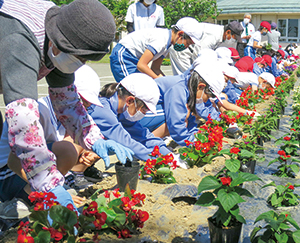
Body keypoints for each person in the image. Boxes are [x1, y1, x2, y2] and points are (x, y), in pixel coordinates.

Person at [0, 0, 134, 208]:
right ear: (57, 42)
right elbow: (24, 122)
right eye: (79, 57)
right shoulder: (21, 40)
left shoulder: (65, 31)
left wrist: (93, 138)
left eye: (85, 59)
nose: (80, 64)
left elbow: (68, 101)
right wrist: (49, 187)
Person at [139, 56, 225, 145]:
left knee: (184, 114)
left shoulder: (188, 86)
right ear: (201, 87)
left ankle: (150, 141)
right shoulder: (178, 88)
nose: (208, 100)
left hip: (148, 113)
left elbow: (190, 121)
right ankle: (145, 143)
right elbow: (176, 124)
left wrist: (196, 137)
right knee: (178, 117)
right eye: (210, 96)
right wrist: (192, 143)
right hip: (138, 114)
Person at [87, 73, 170, 162]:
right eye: (144, 109)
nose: (144, 113)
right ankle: (76, 169)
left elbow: (143, 135)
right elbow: (126, 142)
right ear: (130, 101)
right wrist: (155, 160)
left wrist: (168, 154)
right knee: (116, 144)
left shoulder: (121, 111)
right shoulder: (102, 110)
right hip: (74, 144)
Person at [110, 17, 203, 82]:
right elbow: (141, 65)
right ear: (180, 34)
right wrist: (159, 81)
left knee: (141, 88)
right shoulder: (161, 40)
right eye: (188, 43)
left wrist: (167, 83)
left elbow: (155, 69)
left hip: (133, 58)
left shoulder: (167, 45)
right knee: (133, 88)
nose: (186, 47)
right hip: (123, 55)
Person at [169, 21, 244, 75]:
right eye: (234, 38)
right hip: (182, 50)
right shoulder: (213, 36)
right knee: (185, 77)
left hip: (190, 50)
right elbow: (199, 55)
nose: (235, 41)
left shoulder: (221, 36)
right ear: (228, 32)